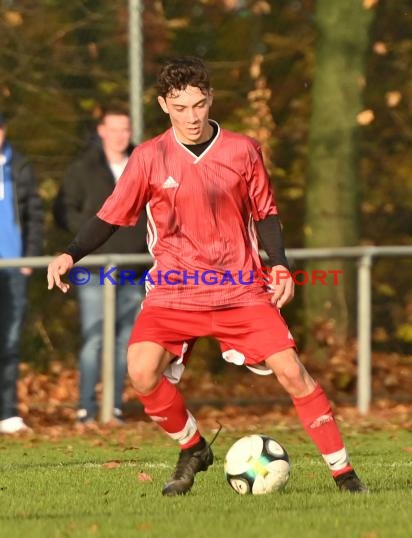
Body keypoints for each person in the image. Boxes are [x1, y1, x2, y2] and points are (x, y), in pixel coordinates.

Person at [47, 57, 368, 494]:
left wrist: (280, 266)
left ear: (211, 99)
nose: (192, 116)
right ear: (164, 105)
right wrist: (70, 254)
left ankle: (344, 474)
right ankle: (194, 447)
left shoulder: (242, 150)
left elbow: (266, 213)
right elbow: (109, 217)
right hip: (174, 291)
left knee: (293, 372)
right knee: (140, 373)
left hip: (239, 289)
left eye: (199, 104)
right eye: (180, 107)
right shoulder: (149, 157)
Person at [53, 107, 147, 424]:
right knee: (94, 338)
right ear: (101, 130)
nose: (121, 135)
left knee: (126, 342)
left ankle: (114, 407)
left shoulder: (144, 163)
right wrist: (96, 233)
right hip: (94, 270)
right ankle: (85, 408)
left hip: (135, 269)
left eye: (126, 129)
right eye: (115, 128)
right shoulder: (83, 169)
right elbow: (64, 211)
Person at [0, 111, 43, 434]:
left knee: (11, 340)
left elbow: (34, 215)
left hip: (14, 267)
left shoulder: (20, 167)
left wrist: (30, 257)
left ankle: (9, 412)